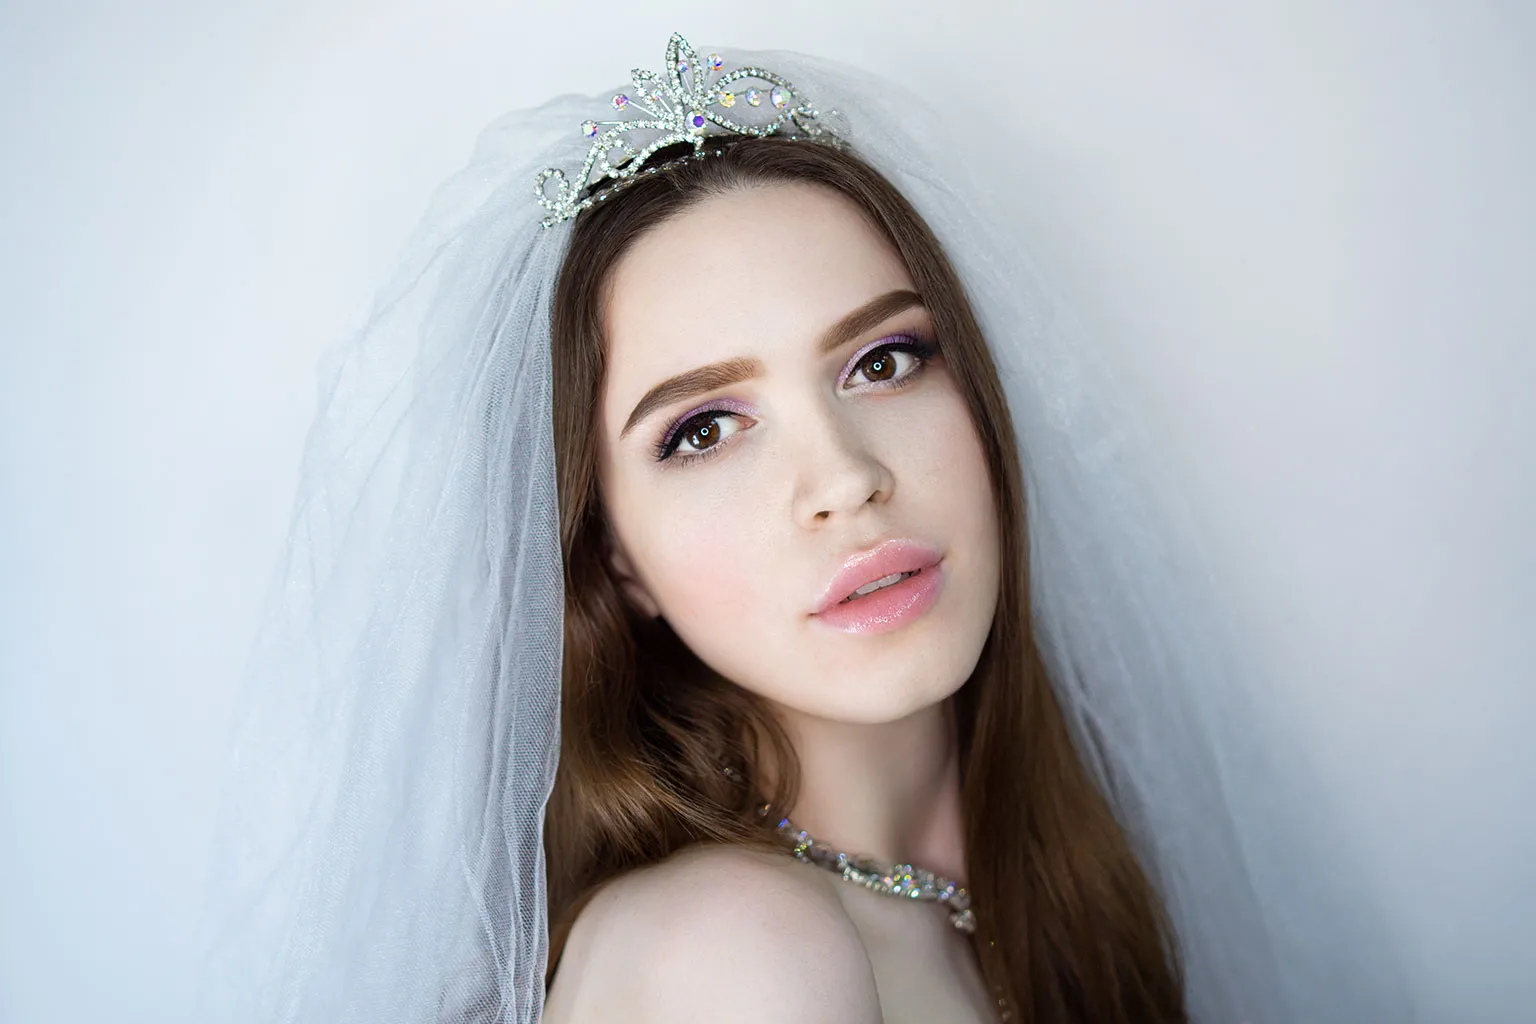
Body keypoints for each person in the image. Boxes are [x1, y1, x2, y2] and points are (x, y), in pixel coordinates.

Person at [205, 32, 1385, 1024]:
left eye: (885, 360)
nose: (844, 478)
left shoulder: (1043, 892)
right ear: (618, 562)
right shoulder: (736, 953)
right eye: (704, 430)